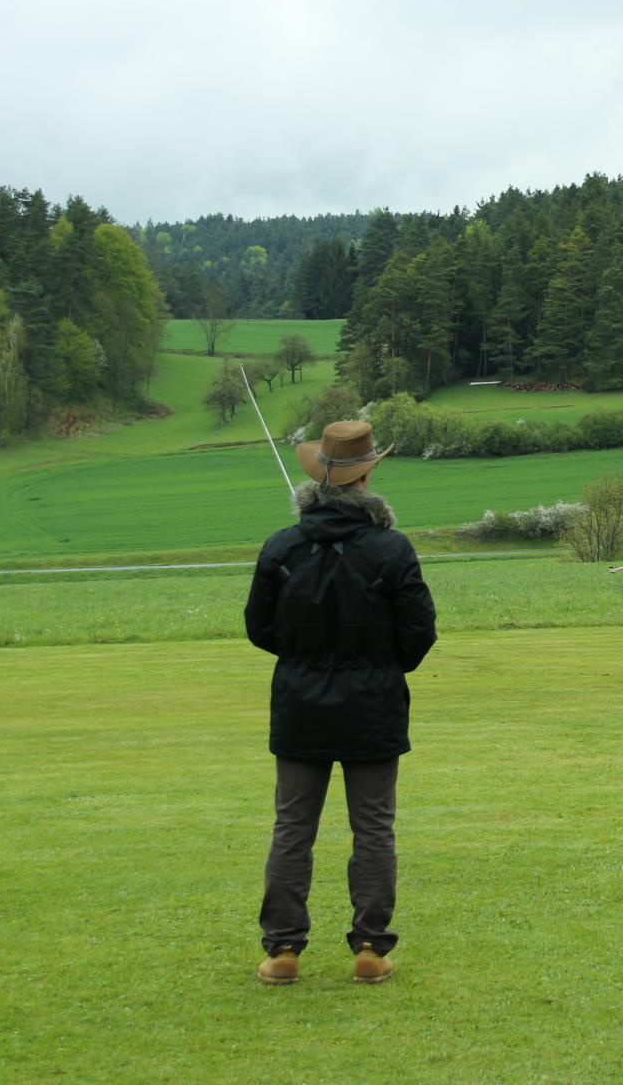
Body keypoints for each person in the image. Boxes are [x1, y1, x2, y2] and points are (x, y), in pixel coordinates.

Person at [244, 420, 437, 986]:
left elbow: (259, 628)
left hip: (300, 706)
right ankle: (371, 948)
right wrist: (381, 669)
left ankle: (283, 950)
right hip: (372, 707)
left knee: (292, 828)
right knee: (374, 829)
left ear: (320, 478)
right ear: (367, 476)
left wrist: (303, 660)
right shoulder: (391, 548)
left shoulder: (282, 546)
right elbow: (419, 631)